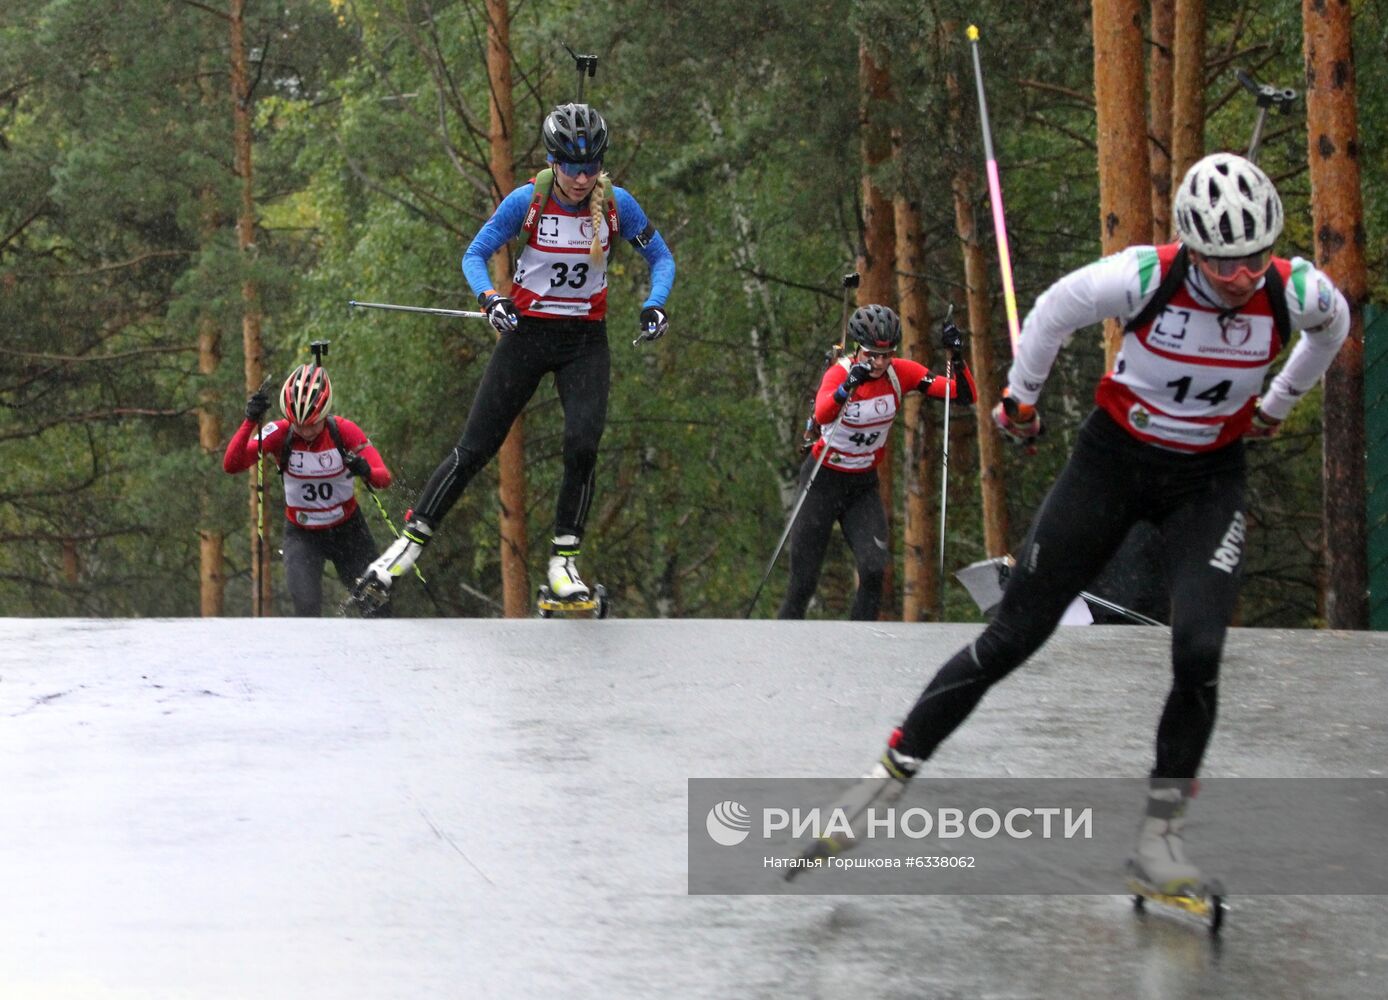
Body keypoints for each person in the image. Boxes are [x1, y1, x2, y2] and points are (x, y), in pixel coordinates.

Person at [803, 153, 1350, 894]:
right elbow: (1059, 307)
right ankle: (884, 779)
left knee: (1197, 651)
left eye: (1255, 257)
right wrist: (1021, 396)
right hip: (1114, 465)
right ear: (1193, 247)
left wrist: (1277, 407)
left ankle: (1159, 842)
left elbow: (1333, 327)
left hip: (1207, 482)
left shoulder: (1295, 291)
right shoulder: (1145, 278)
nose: (1243, 276)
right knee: (1013, 635)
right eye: (1224, 263)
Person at [353, 102, 675, 609]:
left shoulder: (618, 205)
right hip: (528, 336)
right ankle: (405, 548)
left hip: (585, 342)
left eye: (591, 165)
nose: (580, 176)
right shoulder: (528, 201)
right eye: (570, 165)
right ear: (552, 160)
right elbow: (474, 254)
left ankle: (563, 562)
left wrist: (655, 305)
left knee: (583, 444)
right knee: (475, 447)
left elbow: (661, 257)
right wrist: (490, 298)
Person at [778, 304, 976, 620]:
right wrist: (847, 388)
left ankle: (858, 649)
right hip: (821, 481)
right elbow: (821, 413)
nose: (880, 363)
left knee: (873, 570)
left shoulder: (901, 372)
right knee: (803, 582)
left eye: (887, 355)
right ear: (858, 349)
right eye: (872, 355)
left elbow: (961, 395)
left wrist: (958, 357)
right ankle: (781, 653)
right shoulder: (839, 374)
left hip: (862, 486)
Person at [223, 364, 393, 617]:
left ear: (325, 413)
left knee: (376, 605)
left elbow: (384, 477)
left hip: (349, 531)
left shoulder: (343, 430)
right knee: (306, 606)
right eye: (298, 425)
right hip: (303, 535)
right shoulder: (280, 433)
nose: (305, 431)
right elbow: (232, 464)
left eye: (312, 425)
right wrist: (250, 421)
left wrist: (365, 469)